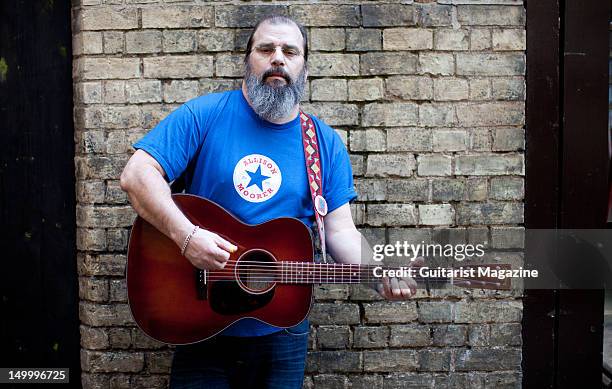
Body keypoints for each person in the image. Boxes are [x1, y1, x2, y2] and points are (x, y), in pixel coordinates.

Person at [120, 15, 418, 389]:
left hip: (283, 329)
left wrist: (378, 273)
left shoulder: (323, 143)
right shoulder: (204, 115)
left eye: (290, 51)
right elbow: (136, 175)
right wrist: (186, 237)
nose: (278, 58)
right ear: (248, 60)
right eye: (266, 49)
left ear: (303, 67)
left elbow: (340, 230)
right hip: (198, 320)